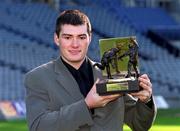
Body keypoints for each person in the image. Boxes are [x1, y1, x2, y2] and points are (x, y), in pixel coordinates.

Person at [25, 10, 157, 131]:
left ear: (90, 38)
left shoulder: (111, 74)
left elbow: (140, 125)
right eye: (68, 37)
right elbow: (38, 126)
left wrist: (146, 101)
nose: (75, 44)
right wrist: (87, 105)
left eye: (81, 37)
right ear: (56, 38)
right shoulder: (37, 77)